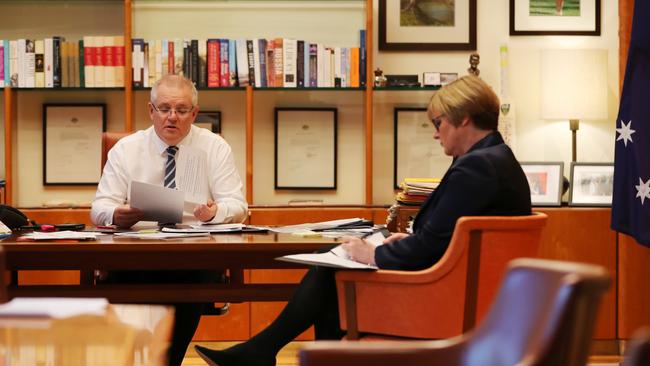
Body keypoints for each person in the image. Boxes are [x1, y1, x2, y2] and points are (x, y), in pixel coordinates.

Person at [195, 75, 531, 366]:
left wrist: (373, 255)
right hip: (461, 290)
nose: (435, 134)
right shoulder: (497, 160)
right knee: (334, 274)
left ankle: (261, 350)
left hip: (440, 300)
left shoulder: (477, 167)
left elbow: (432, 247)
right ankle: (261, 350)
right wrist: (404, 242)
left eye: (437, 123)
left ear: (463, 119)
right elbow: (451, 240)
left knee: (333, 273)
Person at [91, 74, 248, 366]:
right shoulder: (126, 150)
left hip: (193, 255)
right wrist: (117, 214)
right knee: (140, 283)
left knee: (187, 275)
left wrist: (215, 212)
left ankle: (165, 360)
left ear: (194, 113)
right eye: (164, 109)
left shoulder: (214, 147)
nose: (172, 117)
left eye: (181, 110)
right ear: (151, 111)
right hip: (137, 255)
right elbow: (99, 207)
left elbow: (238, 205)